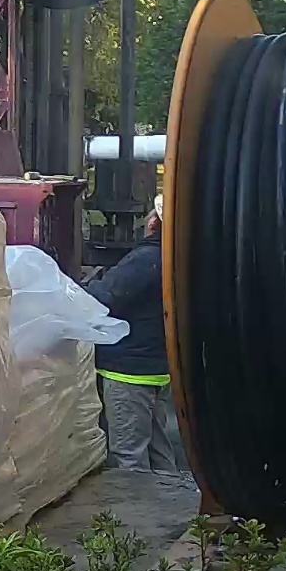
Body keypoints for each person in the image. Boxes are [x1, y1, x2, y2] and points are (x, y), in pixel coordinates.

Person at [85, 195, 183, 472]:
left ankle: (136, 501)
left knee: (128, 455)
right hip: (155, 368)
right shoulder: (175, 258)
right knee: (157, 448)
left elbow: (104, 298)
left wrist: (75, 290)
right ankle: (171, 496)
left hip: (129, 373)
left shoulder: (146, 259)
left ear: (152, 223)